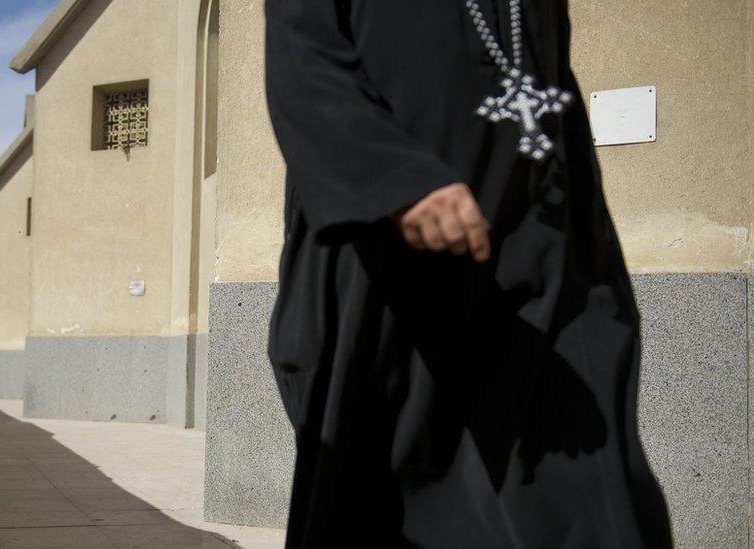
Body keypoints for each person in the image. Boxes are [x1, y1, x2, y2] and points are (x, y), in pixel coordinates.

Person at [263, 1, 672, 547]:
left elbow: (551, 84)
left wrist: (589, 256)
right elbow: (301, 55)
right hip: (387, 267)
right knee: (383, 507)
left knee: (594, 504)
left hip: (537, 263)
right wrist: (394, 180)